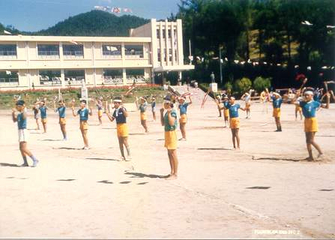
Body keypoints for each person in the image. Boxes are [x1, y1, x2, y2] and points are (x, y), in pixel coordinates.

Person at [298, 90, 325, 160]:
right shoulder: (302, 103)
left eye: (308, 95)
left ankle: (321, 152)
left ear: (311, 96)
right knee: (307, 140)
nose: (306, 96)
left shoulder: (315, 103)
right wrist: (297, 95)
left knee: (311, 140)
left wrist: (327, 99)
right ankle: (310, 156)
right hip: (306, 121)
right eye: (305, 95)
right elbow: (292, 102)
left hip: (312, 121)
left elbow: (326, 107)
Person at [12, 100, 39, 167]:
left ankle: (34, 159)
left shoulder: (24, 112)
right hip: (20, 130)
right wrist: (13, 113)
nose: (17, 107)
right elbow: (14, 120)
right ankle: (25, 162)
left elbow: (24, 116)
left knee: (24, 148)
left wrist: (24, 107)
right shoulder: (19, 114)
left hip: (23, 131)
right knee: (21, 148)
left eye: (18, 106)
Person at [160, 96, 179, 180]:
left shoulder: (173, 112)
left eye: (165, 103)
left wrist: (168, 113)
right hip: (167, 133)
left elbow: (171, 123)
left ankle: (175, 173)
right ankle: (171, 172)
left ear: (169, 104)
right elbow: (162, 123)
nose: (163, 104)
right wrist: (161, 113)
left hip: (172, 133)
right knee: (169, 153)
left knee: (173, 153)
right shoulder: (166, 112)